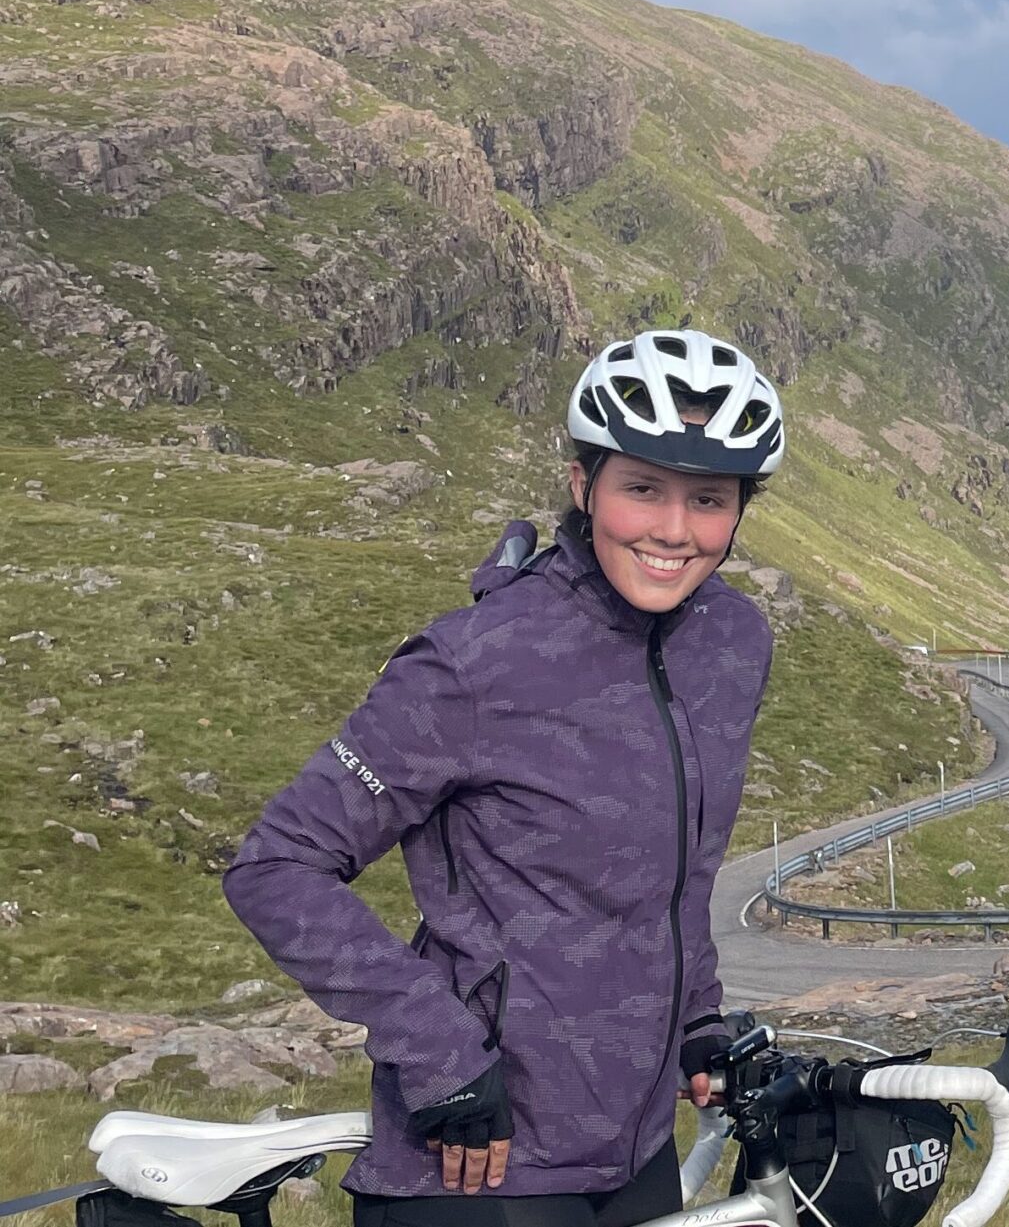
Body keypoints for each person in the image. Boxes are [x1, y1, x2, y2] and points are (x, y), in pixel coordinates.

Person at [224, 328, 788, 1227]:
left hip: (636, 1152)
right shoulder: (477, 660)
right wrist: (438, 1050)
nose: (674, 531)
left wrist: (697, 1023)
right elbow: (276, 866)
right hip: (478, 1167)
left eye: (709, 499)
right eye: (643, 487)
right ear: (582, 485)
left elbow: (672, 880)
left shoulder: (732, 645)